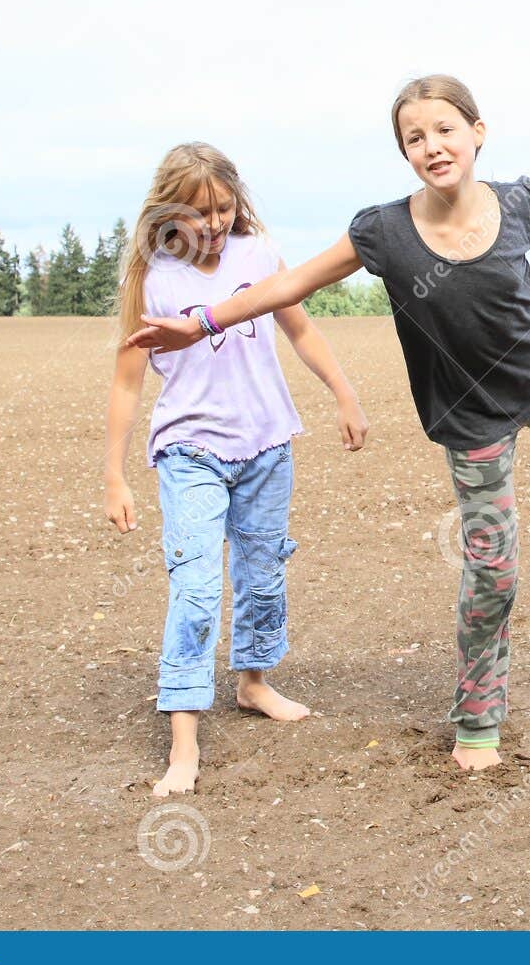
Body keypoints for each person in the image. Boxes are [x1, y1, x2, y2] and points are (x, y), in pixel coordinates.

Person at [126, 76, 530, 771]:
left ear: (477, 132)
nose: (432, 146)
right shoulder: (384, 231)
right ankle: (478, 722)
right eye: (414, 138)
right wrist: (202, 321)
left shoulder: (520, 201)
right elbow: (291, 284)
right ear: (404, 152)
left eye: (445, 130)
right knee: (494, 570)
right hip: (471, 418)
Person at [105, 142, 369, 796]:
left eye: (224, 206)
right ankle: (184, 743)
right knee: (196, 588)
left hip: (267, 444)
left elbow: (301, 329)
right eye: (200, 212)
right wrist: (113, 472)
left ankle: (252, 683)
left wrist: (343, 392)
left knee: (262, 571)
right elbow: (127, 382)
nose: (216, 222)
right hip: (190, 450)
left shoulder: (259, 257)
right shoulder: (154, 278)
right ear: (170, 213)